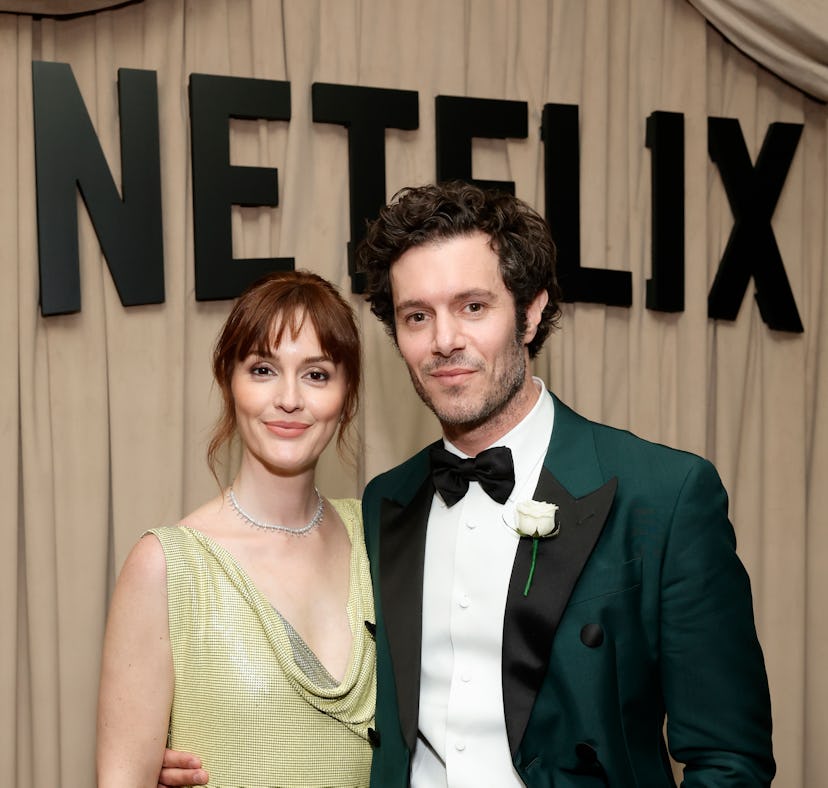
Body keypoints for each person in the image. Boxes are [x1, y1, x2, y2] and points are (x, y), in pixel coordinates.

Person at [157, 181, 775, 787]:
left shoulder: (664, 494)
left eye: (472, 307)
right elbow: (334, 691)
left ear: (530, 313)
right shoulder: (383, 505)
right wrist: (205, 754)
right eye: (417, 316)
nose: (444, 340)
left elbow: (730, 760)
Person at [97, 270, 376, 787]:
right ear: (229, 380)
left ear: (347, 395)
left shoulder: (377, 538)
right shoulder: (167, 567)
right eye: (264, 369)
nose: (289, 398)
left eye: (317, 374)